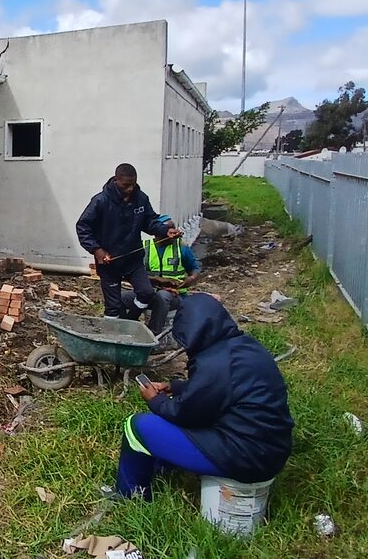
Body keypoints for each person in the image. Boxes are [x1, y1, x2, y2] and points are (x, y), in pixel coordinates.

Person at [114, 294, 294, 500]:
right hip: (270, 450)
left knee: (137, 427)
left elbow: (183, 414)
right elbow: (225, 388)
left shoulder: (214, 364)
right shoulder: (245, 347)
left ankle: (130, 496)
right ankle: (164, 467)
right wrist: (175, 387)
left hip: (245, 458)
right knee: (180, 425)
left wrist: (155, 400)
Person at [76, 163, 180, 318]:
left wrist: (165, 230)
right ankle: (112, 336)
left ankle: (130, 322)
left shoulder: (141, 199)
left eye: (133, 184)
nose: (130, 188)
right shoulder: (101, 201)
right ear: (116, 180)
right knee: (113, 307)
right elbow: (83, 226)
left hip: (133, 260)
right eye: (126, 185)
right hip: (109, 262)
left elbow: (149, 222)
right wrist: (96, 250)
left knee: (146, 293)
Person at [120, 214, 201, 335]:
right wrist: (156, 280)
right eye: (169, 230)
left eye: (174, 229)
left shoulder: (181, 248)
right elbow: (131, 273)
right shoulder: (144, 247)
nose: (174, 233)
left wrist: (191, 278)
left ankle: (153, 334)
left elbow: (195, 268)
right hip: (147, 293)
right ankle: (125, 329)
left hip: (174, 296)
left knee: (162, 296)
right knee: (119, 297)